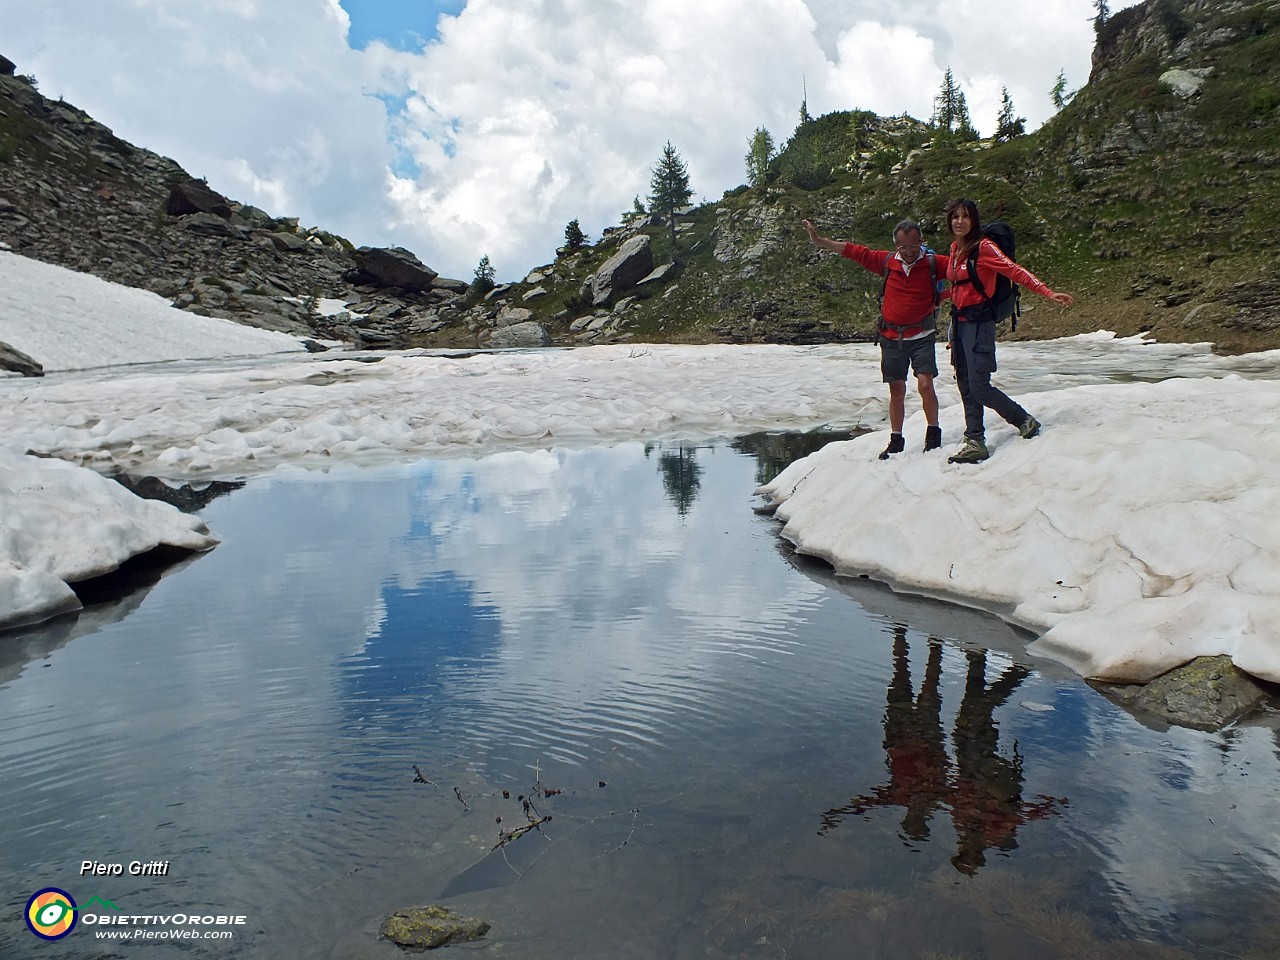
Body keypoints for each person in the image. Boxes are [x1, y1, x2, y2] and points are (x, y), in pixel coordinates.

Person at [942, 198, 1074, 464]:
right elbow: (961, 286)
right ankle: (974, 439)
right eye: (955, 217)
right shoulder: (956, 249)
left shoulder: (985, 248)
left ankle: (1023, 419)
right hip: (960, 324)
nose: (959, 221)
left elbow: (1015, 271)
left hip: (979, 325)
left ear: (974, 220)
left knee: (979, 386)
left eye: (965, 216)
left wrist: (1047, 292)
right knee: (965, 384)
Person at [802, 218, 943, 458]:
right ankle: (896, 439)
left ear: (921, 242)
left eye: (912, 246)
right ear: (895, 246)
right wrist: (819, 240)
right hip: (892, 336)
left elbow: (963, 270)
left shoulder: (933, 263)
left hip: (922, 335)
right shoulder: (887, 262)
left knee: (925, 384)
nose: (908, 252)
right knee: (896, 389)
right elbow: (852, 251)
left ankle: (933, 434)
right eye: (903, 247)